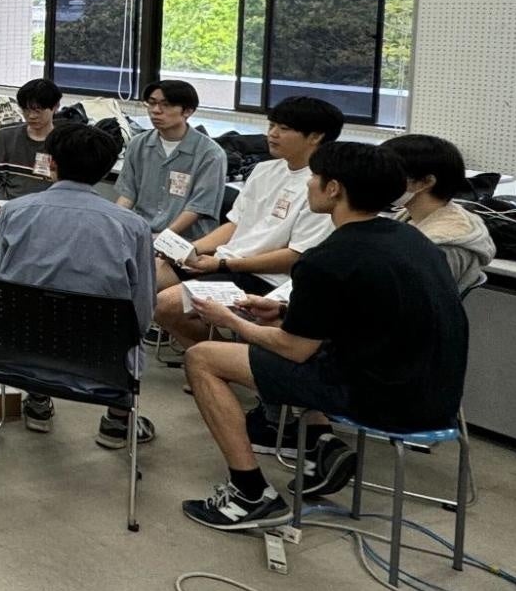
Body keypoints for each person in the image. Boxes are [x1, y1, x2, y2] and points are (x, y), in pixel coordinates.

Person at [181, 142, 469, 531]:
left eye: (315, 177)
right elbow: (364, 314)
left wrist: (230, 320)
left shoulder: (328, 258)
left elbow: (294, 350)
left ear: (334, 189)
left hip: (384, 399)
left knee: (203, 358)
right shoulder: (411, 239)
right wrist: (281, 311)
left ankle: (249, 493)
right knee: (277, 329)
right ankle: (321, 443)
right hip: (437, 394)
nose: (308, 184)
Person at [0, 124, 156, 445]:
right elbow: (143, 308)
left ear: (51, 162)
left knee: (28, 306)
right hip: (103, 363)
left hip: (15, 351)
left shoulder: (12, 212)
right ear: (106, 171)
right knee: (131, 328)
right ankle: (117, 421)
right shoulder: (133, 227)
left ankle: (37, 401)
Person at [152, 96, 343, 354]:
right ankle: (215, 357)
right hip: (227, 263)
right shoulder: (264, 170)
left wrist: (222, 264)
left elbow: (295, 256)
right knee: (147, 272)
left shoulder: (321, 188)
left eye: (284, 129)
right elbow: (235, 224)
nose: (272, 134)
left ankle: (223, 360)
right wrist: (191, 251)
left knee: (166, 304)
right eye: (271, 126)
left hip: (263, 278)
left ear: (315, 137)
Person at [114, 78, 228, 239]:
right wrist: (114, 224)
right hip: (142, 232)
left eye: (166, 105)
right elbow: (128, 195)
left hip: (186, 239)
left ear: (187, 111)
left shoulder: (210, 154)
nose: (155, 110)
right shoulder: (138, 144)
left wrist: (162, 238)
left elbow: (198, 207)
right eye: (151, 103)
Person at [384, 134, 495, 293]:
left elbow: (417, 300)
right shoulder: (412, 218)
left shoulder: (444, 247)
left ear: (426, 182)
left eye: (388, 174)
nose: (378, 180)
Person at [0, 77, 61, 271]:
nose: (31, 116)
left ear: (55, 107)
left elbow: (63, 190)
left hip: (44, 216)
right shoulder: (5, 137)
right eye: (26, 110)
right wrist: (6, 209)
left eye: (38, 110)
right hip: (7, 212)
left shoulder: (62, 143)